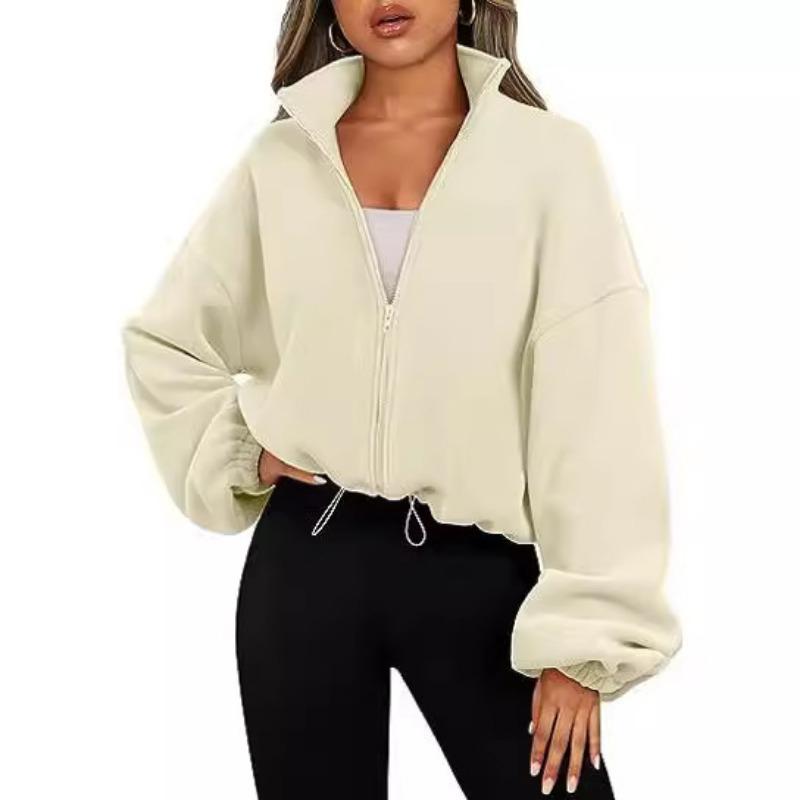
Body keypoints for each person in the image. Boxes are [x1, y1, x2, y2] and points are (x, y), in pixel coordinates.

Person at [121, 1, 682, 797]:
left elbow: (600, 412)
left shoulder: (551, 162)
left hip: (479, 571)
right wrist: (239, 448)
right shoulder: (282, 160)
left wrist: (588, 639)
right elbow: (166, 340)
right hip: (306, 559)